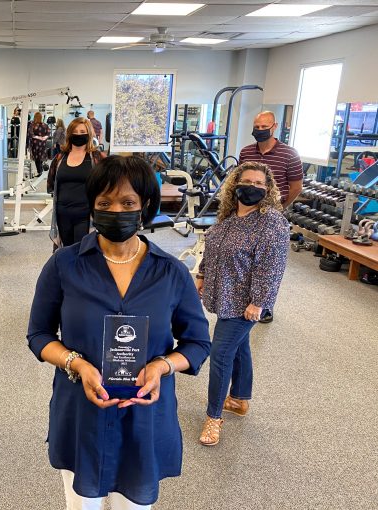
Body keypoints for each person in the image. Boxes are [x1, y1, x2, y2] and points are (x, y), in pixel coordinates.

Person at [28, 155, 211, 509]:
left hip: (145, 414)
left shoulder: (170, 273)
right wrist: (76, 364)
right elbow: (39, 335)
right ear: (93, 208)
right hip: (83, 411)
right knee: (83, 505)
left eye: (128, 202)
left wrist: (162, 367)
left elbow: (198, 342)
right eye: (105, 202)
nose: (116, 210)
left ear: (145, 207)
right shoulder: (64, 266)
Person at [195, 161, 289, 447]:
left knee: (221, 353)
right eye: (247, 181)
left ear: (268, 189)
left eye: (260, 184)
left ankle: (213, 418)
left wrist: (259, 302)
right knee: (240, 348)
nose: (253, 187)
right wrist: (201, 275)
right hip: (225, 296)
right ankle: (238, 399)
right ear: (235, 184)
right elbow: (213, 250)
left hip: (245, 304)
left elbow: (272, 267)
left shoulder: (271, 222)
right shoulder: (228, 217)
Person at [239, 110, 302, 323]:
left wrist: (281, 206)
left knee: (268, 263)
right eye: (256, 127)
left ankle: (265, 305)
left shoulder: (289, 154)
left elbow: (296, 187)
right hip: (247, 212)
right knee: (245, 259)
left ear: (274, 127)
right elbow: (241, 180)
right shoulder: (246, 152)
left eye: (264, 127)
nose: (259, 131)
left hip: (272, 213)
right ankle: (244, 299)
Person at [47, 117, 104, 249]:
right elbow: (52, 184)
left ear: (89, 133)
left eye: (82, 131)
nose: (78, 134)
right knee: (65, 252)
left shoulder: (96, 158)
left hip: (85, 215)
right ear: (69, 133)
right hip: (62, 214)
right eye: (75, 131)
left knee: (82, 251)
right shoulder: (60, 158)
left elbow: (106, 186)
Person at [30, 111, 49, 176]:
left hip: (35, 144)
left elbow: (31, 134)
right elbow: (48, 133)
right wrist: (44, 138)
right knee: (41, 156)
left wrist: (38, 137)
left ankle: (39, 171)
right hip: (43, 143)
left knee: (36, 157)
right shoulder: (45, 125)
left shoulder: (32, 125)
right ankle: (41, 169)